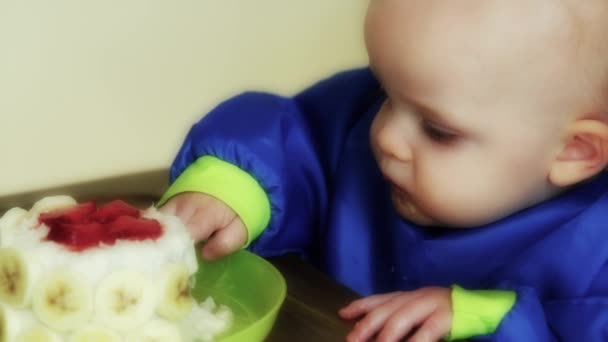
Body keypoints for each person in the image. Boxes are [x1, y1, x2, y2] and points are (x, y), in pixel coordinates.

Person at [158, 0, 608, 340]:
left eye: (436, 130)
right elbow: (297, 138)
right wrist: (234, 186)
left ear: (573, 151)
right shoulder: (366, 122)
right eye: (384, 91)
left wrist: (490, 316)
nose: (385, 134)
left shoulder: (596, 252)